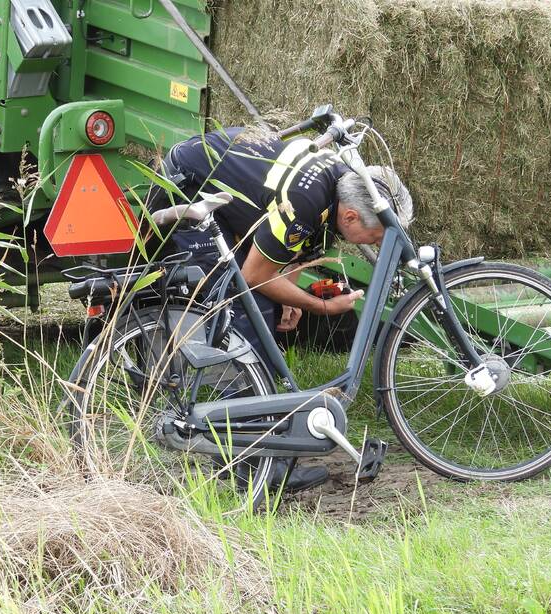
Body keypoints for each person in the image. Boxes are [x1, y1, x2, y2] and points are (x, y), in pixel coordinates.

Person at [145, 126, 412, 494]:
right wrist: (319, 305)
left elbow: (285, 235)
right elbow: (255, 275)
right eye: (378, 236)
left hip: (222, 191)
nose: (378, 244)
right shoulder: (309, 200)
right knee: (245, 316)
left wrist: (288, 294)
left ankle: (253, 452)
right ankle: (252, 469)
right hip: (187, 189)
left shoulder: (338, 184)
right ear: (351, 218)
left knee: (263, 306)